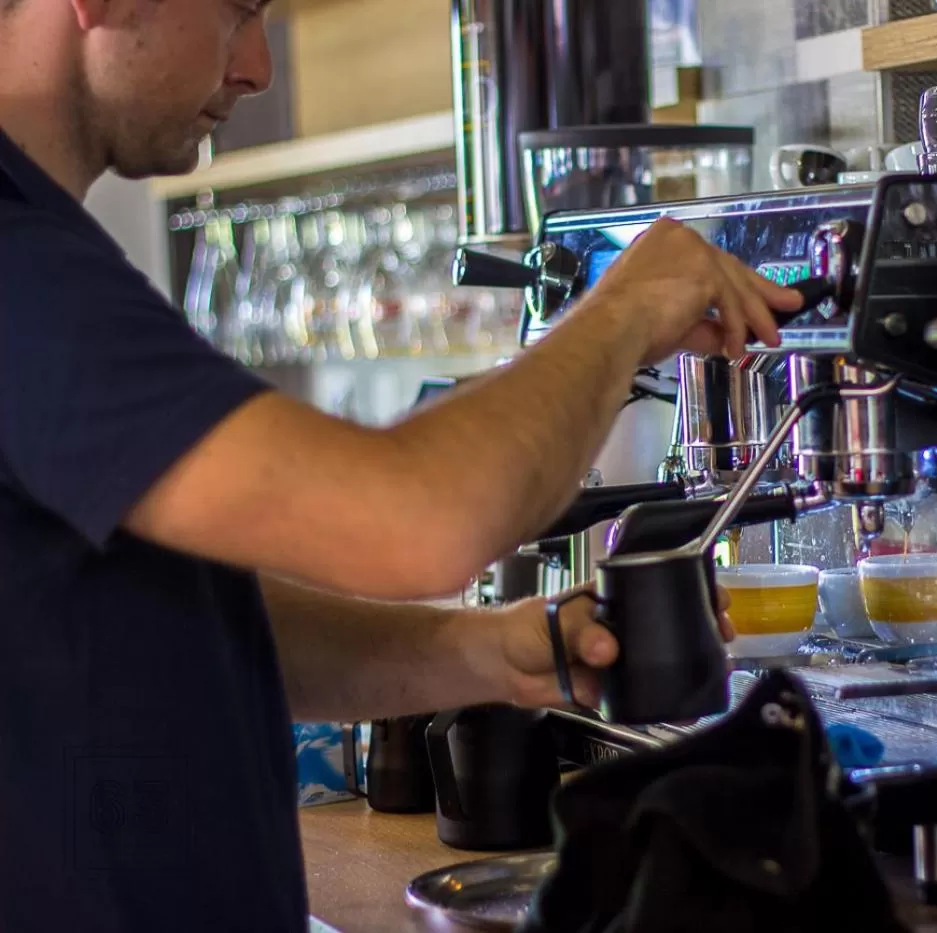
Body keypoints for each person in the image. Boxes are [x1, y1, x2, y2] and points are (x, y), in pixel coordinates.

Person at [0, 1, 802, 931]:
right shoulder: (23, 269)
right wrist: (624, 310)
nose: (258, 66)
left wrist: (486, 652)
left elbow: (181, 608)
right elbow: (418, 523)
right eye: (239, 9)